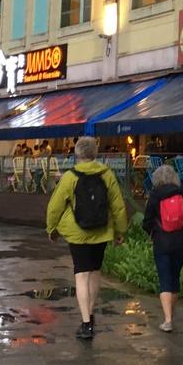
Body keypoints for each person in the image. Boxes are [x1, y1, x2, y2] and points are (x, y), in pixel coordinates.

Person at [45, 136, 128, 341]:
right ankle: (90, 313)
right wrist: (120, 231)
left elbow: (55, 206)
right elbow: (118, 205)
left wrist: (51, 228)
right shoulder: (107, 174)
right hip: (101, 231)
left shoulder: (69, 177)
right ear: (95, 153)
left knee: (81, 275)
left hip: (77, 233)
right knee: (95, 272)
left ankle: (86, 324)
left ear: (77, 154)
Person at [142, 163, 183, 333]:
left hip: (162, 241)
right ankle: (170, 314)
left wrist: (152, 232)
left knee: (164, 279)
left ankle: (167, 320)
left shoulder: (155, 196)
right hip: (180, 242)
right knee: (174, 277)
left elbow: (146, 222)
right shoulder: (181, 194)